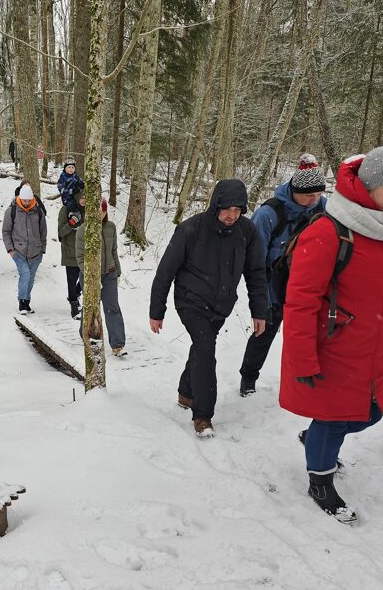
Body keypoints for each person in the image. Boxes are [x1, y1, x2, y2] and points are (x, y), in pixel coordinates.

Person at [279, 148, 383, 523]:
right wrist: (302, 360)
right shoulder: (329, 231)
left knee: (372, 412)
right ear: (370, 186)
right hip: (336, 348)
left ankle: (317, 438)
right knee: (334, 417)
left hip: (375, 347)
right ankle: (320, 481)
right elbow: (300, 303)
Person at [149, 179, 268, 438]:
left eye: (237, 210)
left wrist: (260, 311)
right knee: (206, 348)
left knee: (202, 346)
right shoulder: (191, 229)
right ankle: (203, 415)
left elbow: (256, 273)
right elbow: (166, 271)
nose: (232, 215)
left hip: (221, 305)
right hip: (190, 301)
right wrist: (157, 310)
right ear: (216, 205)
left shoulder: (246, 232)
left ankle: (186, 392)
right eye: (227, 209)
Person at [239, 154, 327, 397]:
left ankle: (306, 380)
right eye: (309, 195)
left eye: (318, 194)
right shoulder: (268, 214)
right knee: (263, 335)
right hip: (274, 287)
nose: (314, 199)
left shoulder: (322, 207)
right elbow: (254, 260)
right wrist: (262, 300)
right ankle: (248, 378)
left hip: (308, 287)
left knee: (308, 337)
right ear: (294, 190)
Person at [75, 198, 126, 356]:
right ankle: (85, 333)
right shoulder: (83, 230)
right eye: (98, 211)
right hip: (90, 276)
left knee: (112, 307)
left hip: (109, 273)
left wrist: (117, 272)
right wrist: (90, 275)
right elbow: (80, 257)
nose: (101, 214)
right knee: (90, 307)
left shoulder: (111, 227)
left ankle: (117, 344)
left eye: (103, 211)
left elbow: (114, 251)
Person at [2, 183, 47, 314]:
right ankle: (22, 302)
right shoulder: (12, 211)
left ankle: (26, 302)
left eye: (29, 200)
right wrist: (10, 249)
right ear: (20, 198)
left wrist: (42, 249)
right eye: (24, 200)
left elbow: (43, 231)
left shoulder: (38, 211)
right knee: (25, 274)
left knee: (31, 278)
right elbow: (6, 231)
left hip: (36, 251)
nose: (26, 203)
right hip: (18, 251)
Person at [58, 191, 85, 318]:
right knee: (72, 280)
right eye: (82, 197)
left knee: (85, 277)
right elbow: (60, 232)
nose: (84, 200)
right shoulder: (66, 209)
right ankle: (74, 306)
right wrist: (72, 223)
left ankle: (75, 294)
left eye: (86, 197)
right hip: (70, 250)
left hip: (84, 251)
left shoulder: (89, 210)